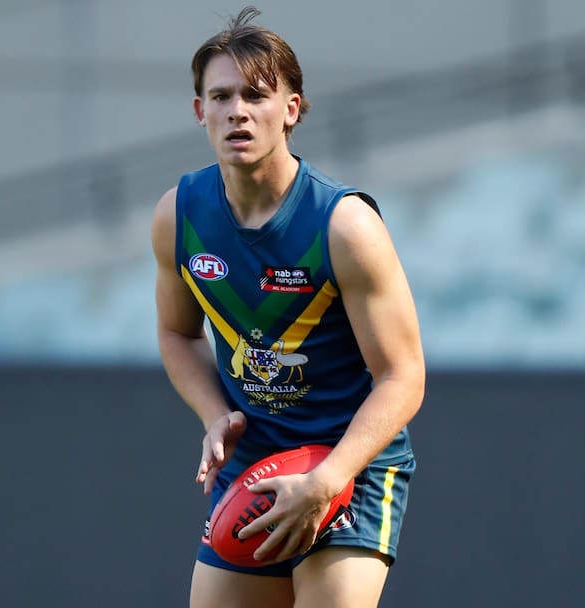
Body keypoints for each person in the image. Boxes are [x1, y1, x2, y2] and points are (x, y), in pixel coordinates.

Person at [151, 6, 425, 607]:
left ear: (292, 109)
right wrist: (212, 414)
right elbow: (177, 335)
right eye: (220, 97)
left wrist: (329, 478)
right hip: (255, 461)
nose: (237, 111)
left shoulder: (345, 225)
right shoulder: (179, 215)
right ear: (200, 112)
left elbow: (403, 376)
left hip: (349, 464)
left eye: (255, 94)